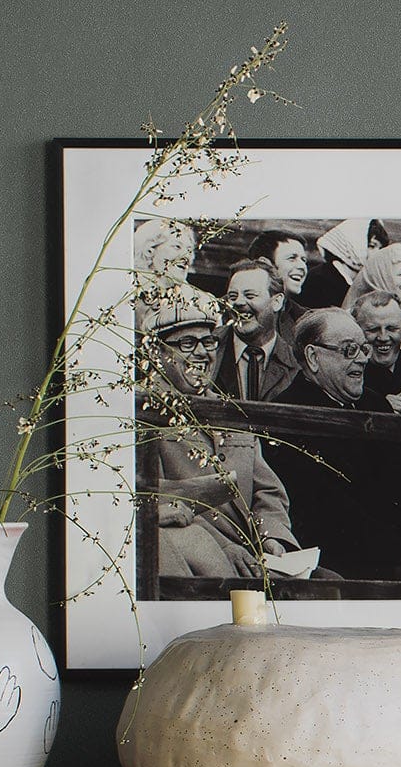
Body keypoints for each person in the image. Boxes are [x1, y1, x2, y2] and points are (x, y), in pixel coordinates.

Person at [271, 308, 401, 585]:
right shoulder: (287, 415)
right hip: (341, 562)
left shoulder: (374, 404)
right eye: (349, 350)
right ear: (313, 357)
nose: (364, 359)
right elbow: (327, 513)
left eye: (363, 349)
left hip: (397, 549)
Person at [139, 299, 299, 588]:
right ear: (155, 352)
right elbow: (162, 503)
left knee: (332, 585)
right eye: (187, 343)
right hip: (199, 553)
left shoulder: (229, 411)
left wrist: (271, 539)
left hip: (256, 557)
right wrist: (225, 547)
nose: (202, 352)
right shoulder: (144, 412)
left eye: (208, 342)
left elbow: (267, 491)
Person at [215, 259, 303, 404]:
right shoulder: (209, 348)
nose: (239, 303)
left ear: (277, 302)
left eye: (250, 295)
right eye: (232, 296)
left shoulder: (297, 361)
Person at [299, 219, 378, 313]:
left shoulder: (362, 281)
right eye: (372, 246)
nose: (378, 252)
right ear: (354, 245)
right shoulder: (319, 279)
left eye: (381, 248)